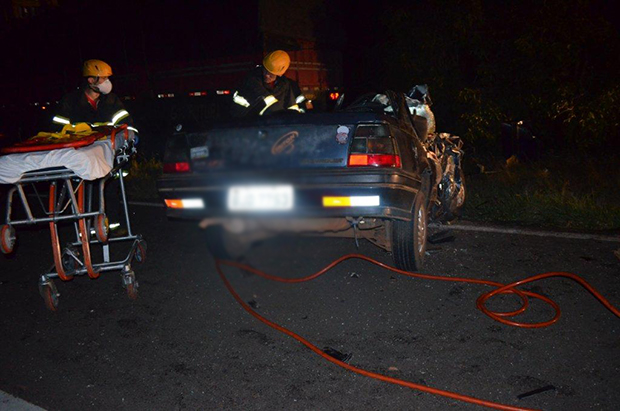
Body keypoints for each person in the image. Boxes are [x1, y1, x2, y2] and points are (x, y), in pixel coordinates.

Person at [52, 59, 138, 134]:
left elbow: (126, 124)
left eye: (107, 78)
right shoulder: (70, 101)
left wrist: (132, 136)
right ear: (91, 80)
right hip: (81, 149)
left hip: (109, 146)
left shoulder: (112, 100)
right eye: (103, 78)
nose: (107, 81)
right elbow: (59, 130)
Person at [232, 50, 310, 117]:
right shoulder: (253, 80)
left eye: (270, 74)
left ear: (280, 74)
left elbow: (291, 105)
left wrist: (295, 118)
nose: (266, 75)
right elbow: (268, 105)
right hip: (244, 122)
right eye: (265, 70)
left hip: (267, 123)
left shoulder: (284, 84)